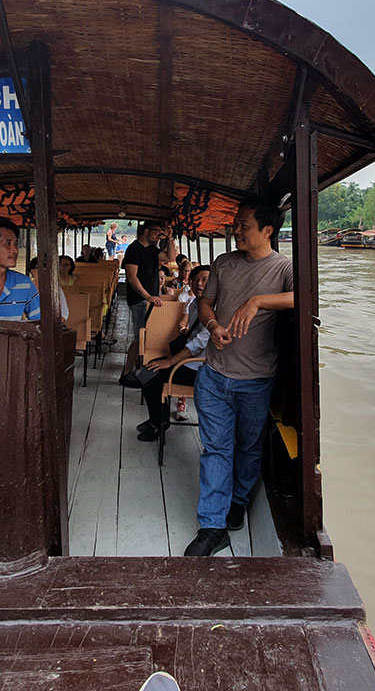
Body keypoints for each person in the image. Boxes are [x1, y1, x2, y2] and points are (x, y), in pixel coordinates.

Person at [184, 197, 294, 557]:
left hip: (257, 379)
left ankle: (240, 500)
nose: (236, 231)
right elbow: (205, 303)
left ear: (267, 230)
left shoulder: (284, 268)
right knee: (216, 450)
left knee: (248, 447)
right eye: (235, 224)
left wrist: (259, 301)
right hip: (214, 374)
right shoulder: (223, 263)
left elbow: (306, 297)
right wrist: (213, 324)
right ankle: (212, 527)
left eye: (243, 225)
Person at [135, 264, 210, 441]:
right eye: (196, 280)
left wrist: (169, 362)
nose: (199, 284)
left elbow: (198, 345)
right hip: (186, 362)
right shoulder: (194, 305)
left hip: (201, 368)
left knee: (153, 374)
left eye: (205, 280)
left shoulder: (218, 310)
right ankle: (157, 419)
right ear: (190, 282)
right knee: (146, 372)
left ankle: (158, 423)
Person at [119, 221, 165, 385]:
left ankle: (139, 371)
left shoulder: (153, 250)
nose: (159, 234)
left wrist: (171, 238)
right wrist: (147, 296)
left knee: (146, 337)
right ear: (147, 231)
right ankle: (126, 374)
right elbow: (132, 277)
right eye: (157, 231)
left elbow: (170, 257)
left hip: (150, 300)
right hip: (139, 300)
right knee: (140, 338)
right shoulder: (134, 249)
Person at [27, 257, 69, 322]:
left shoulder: (56, 289)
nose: (44, 271)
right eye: (40, 268)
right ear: (32, 271)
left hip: (51, 325)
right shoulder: (25, 288)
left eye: (46, 268)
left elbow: (64, 314)